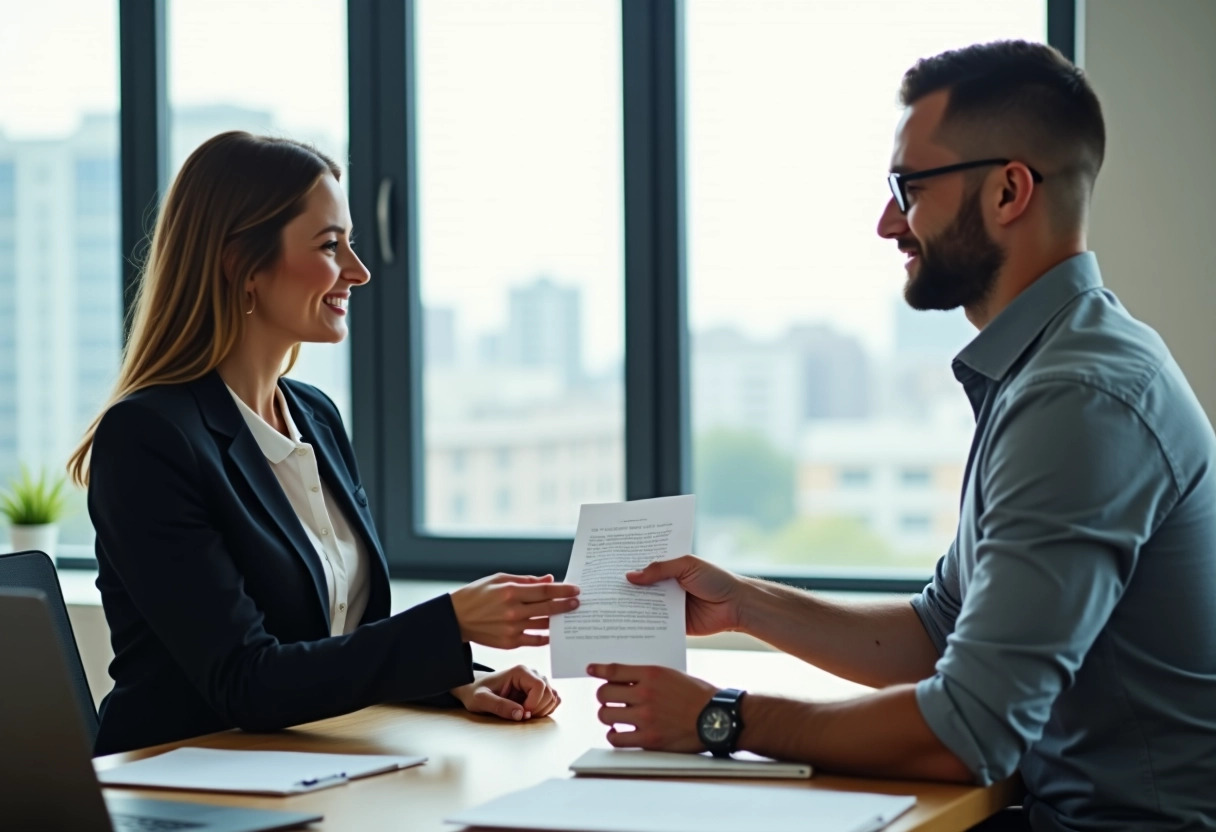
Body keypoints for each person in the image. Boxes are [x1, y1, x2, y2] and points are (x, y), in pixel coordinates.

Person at [589, 40, 1216, 831]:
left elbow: (968, 732)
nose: (888, 221)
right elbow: (938, 634)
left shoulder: (1077, 398)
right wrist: (744, 605)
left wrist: (722, 716)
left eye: (909, 188)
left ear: (1008, 191)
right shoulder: (1053, 366)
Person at [68, 132, 581, 756]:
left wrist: (454, 683)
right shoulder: (150, 437)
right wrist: (447, 622)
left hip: (300, 768)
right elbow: (246, 681)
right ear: (240, 264)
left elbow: (337, 646)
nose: (359, 272)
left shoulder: (314, 415)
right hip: (181, 785)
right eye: (330, 246)